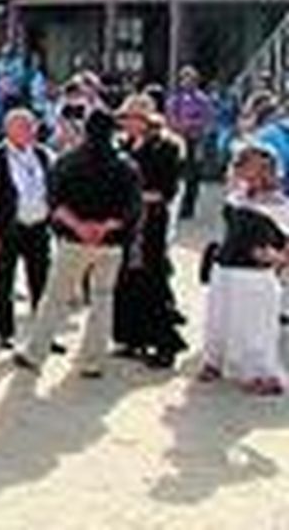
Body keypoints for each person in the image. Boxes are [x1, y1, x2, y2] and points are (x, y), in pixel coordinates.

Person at [15, 109, 142, 378]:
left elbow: (54, 201)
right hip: (110, 243)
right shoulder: (127, 165)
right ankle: (92, 361)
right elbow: (133, 209)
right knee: (102, 300)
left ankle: (36, 353)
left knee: (55, 298)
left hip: (74, 241)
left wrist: (79, 226)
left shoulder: (68, 161)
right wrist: (105, 226)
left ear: (86, 130)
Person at [200, 142, 289, 395]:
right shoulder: (237, 193)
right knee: (218, 318)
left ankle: (258, 373)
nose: (238, 168)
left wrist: (278, 258)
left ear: (264, 170)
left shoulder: (279, 203)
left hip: (254, 274)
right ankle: (215, 362)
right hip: (224, 266)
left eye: (244, 165)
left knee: (251, 326)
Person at [112, 94, 188, 370]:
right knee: (127, 279)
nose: (127, 123)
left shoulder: (166, 147)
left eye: (132, 118)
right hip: (128, 222)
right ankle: (133, 338)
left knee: (152, 280)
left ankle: (166, 343)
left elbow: (166, 190)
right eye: (125, 118)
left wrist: (134, 196)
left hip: (151, 221)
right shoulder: (124, 144)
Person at [0, 108, 55, 350]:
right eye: (23, 127)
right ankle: (5, 332)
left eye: (31, 126)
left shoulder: (44, 154)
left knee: (42, 281)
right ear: (9, 130)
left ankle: (44, 333)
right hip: (8, 228)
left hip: (38, 227)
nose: (29, 131)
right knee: (4, 282)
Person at [166, 66, 216, 222]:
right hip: (178, 139)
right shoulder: (175, 100)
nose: (187, 82)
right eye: (184, 78)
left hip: (195, 140)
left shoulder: (203, 100)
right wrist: (178, 126)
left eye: (191, 79)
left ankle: (188, 207)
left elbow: (208, 119)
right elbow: (170, 117)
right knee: (175, 172)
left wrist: (192, 125)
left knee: (193, 174)